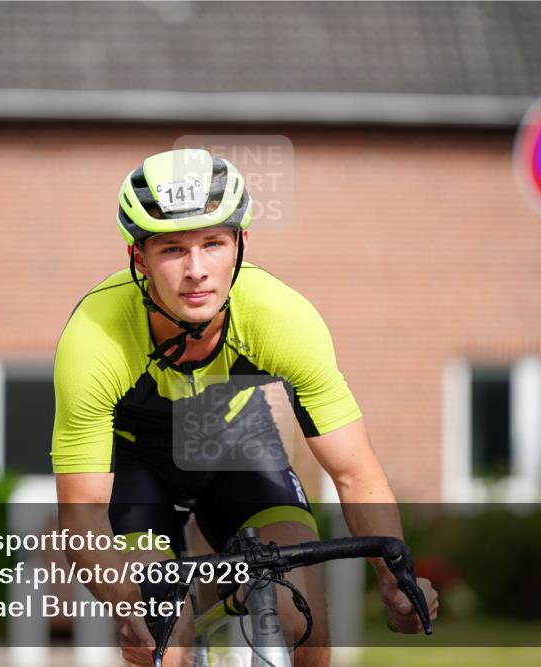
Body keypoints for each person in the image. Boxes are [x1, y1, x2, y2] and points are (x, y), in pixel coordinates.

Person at [52, 148, 438, 667]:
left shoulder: (281, 319)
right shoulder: (94, 339)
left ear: (241, 245)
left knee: (303, 621)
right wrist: (126, 606)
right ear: (138, 258)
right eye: (172, 250)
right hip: (136, 464)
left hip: (235, 443)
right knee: (165, 633)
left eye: (213, 244)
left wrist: (394, 579)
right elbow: (82, 514)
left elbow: (354, 471)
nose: (196, 271)